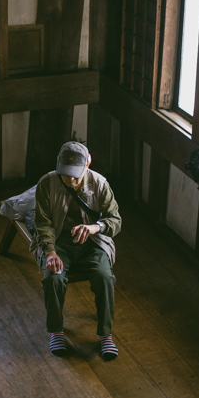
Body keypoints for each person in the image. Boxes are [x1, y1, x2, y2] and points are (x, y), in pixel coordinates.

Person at [34, 141, 122, 360]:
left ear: (87, 165)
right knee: (53, 278)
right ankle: (56, 330)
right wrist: (51, 252)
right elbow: (43, 223)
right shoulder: (47, 183)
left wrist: (95, 226)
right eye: (65, 174)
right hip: (59, 242)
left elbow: (115, 221)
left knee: (104, 277)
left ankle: (105, 335)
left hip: (92, 242)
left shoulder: (100, 184)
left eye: (76, 175)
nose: (70, 180)